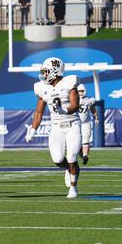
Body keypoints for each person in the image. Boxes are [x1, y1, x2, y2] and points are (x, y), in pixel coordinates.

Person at [25, 57, 81, 199]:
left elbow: (75, 105)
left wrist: (65, 111)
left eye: (46, 71)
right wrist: (33, 129)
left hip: (72, 123)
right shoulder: (42, 87)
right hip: (56, 126)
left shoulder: (69, 83)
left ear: (55, 71)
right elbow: (39, 111)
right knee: (57, 159)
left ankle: (73, 188)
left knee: (72, 156)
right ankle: (68, 169)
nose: (43, 74)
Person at [77, 84, 99, 165]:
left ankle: (85, 156)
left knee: (86, 139)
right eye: (79, 91)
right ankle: (80, 150)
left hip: (85, 122)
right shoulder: (73, 99)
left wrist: (96, 117)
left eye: (82, 91)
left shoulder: (89, 100)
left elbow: (92, 109)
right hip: (76, 123)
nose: (81, 93)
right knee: (77, 140)